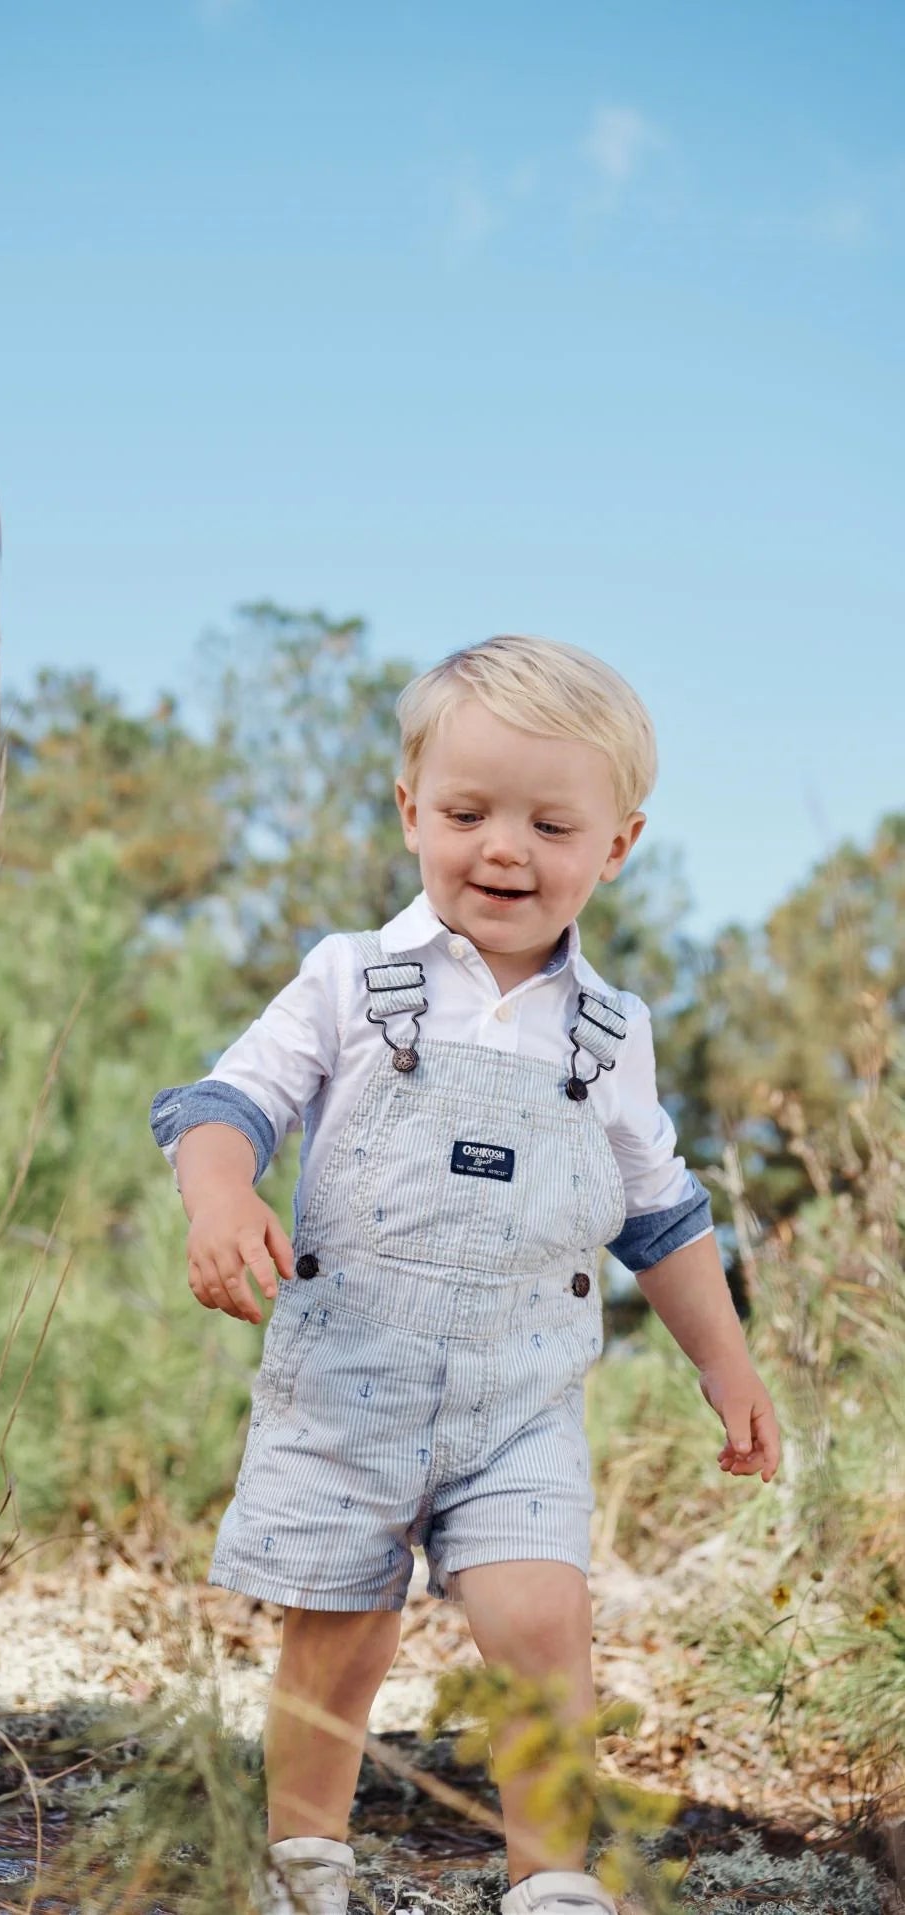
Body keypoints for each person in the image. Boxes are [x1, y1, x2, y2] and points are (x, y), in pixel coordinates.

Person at [149, 636, 780, 1915]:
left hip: (519, 1397)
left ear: (616, 847)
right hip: (349, 1381)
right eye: (466, 812)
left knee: (541, 1621)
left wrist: (726, 1362)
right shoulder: (348, 978)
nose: (504, 848)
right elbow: (225, 1100)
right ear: (408, 812)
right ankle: (303, 1859)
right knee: (338, 1624)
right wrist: (220, 1190)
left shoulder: (608, 1034)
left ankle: (550, 1878)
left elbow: (657, 1213)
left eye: (551, 823)